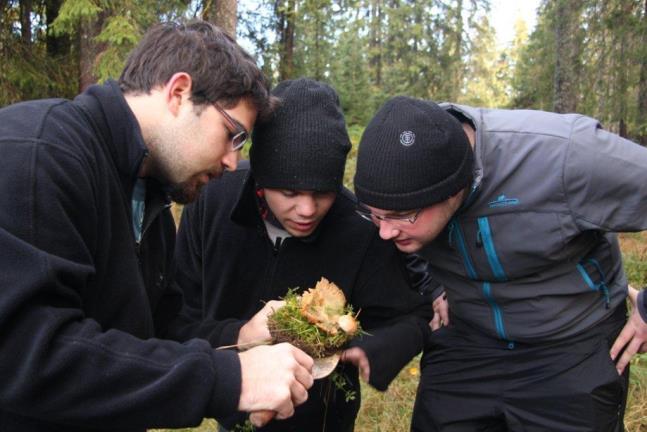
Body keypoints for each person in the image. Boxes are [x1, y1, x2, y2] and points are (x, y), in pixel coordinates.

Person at [0, 21, 315, 432]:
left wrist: (239, 336)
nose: (232, 163)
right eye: (233, 136)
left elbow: (159, 331)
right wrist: (230, 380)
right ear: (179, 92)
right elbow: (25, 353)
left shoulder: (149, 200)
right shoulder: (40, 156)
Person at [352, 96, 647, 431]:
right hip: (468, 337)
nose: (385, 231)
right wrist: (432, 286)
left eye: (401, 216)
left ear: (453, 189)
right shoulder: (405, 170)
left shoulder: (566, 155)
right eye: (375, 215)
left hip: (571, 342)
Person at [165, 78, 433, 431]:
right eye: (289, 192)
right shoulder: (213, 202)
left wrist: (382, 346)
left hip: (322, 420)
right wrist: (240, 334)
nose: (307, 209)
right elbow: (175, 320)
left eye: (322, 192)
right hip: (235, 410)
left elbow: (411, 315)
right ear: (261, 177)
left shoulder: (359, 230)